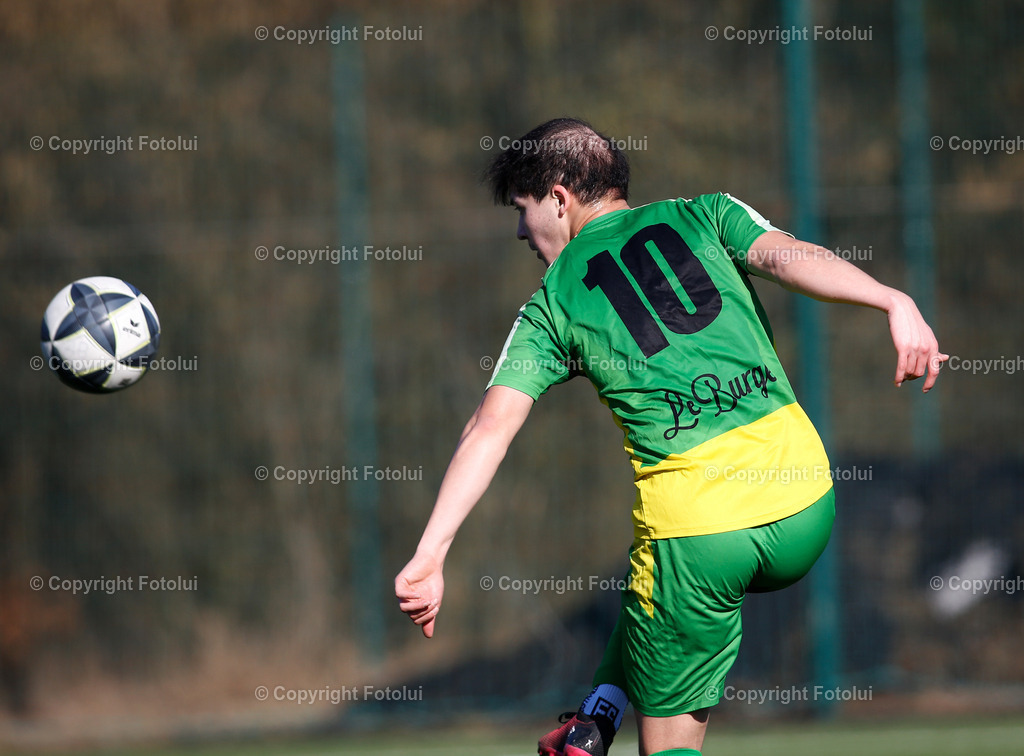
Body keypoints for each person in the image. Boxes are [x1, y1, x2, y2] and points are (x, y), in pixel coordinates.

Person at [395, 117, 946, 756]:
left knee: (669, 713)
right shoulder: (707, 212)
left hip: (701, 535)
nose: (522, 231)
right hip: (806, 502)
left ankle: (600, 717)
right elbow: (786, 256)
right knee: (648, 581)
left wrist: (433, 552)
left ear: (558, 196)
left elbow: (489, 427)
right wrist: (891, 300)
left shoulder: (552, 302)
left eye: (522, 211)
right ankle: (597, 716)